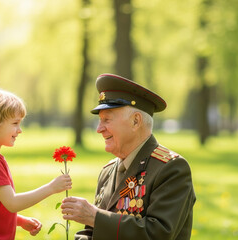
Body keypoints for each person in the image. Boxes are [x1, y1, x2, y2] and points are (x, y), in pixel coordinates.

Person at [61, 73, 196, 240]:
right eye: (100, 120)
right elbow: (92, 232)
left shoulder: (171, 168)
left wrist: (95, 216)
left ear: (136, 121)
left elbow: (158, 234)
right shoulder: (108, 171)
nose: (99, 129)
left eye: (107, 120)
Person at [0, 88, 72, 240]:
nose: (20, 130)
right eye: (15, 123)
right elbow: (12, 202)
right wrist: (51, 188)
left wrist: (18, 220)